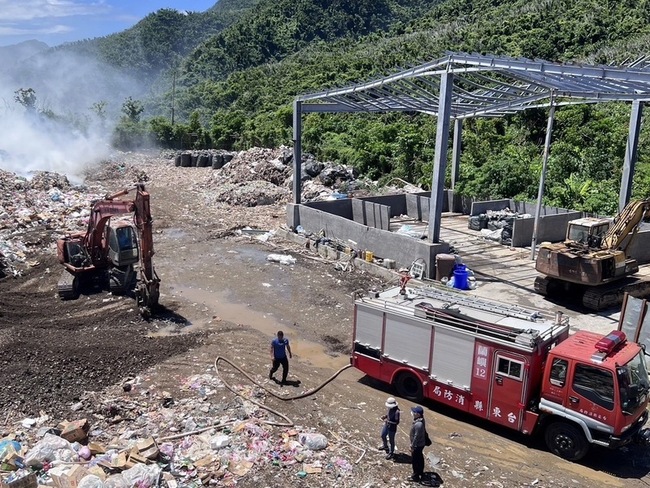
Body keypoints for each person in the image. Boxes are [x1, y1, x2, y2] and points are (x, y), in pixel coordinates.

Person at [408, 405, 426, 482]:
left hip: (417, 445)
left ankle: (415, 476)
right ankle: (420, 472)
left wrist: (412, 446)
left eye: (414, 412)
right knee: (420, 458)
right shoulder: (420, 420)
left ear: (418, 414)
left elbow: (416, 436)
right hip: (421, 444)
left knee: (415, 460)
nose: (412, 413)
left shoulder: (419, 424)